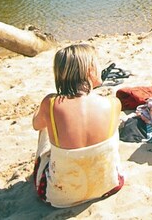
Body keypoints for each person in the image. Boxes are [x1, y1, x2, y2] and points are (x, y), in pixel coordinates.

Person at [32, 44, 125, 208]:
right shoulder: (113, 103)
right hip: (110, 186)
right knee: (110, 126)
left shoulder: (51, 103)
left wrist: (38, 113)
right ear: (89, 70)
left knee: (45, 128)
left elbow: (36, 125)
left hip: (58, 196)